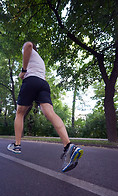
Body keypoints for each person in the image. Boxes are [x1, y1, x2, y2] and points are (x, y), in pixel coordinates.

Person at [7, 41, 83, 172]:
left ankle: (17, 145)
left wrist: (23, 71)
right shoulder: (40, 60)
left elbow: (29, 45)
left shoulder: (28, 50)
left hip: (31, 81)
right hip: (43, 84)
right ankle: (69, 145)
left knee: (20, 113)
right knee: (50, 113)